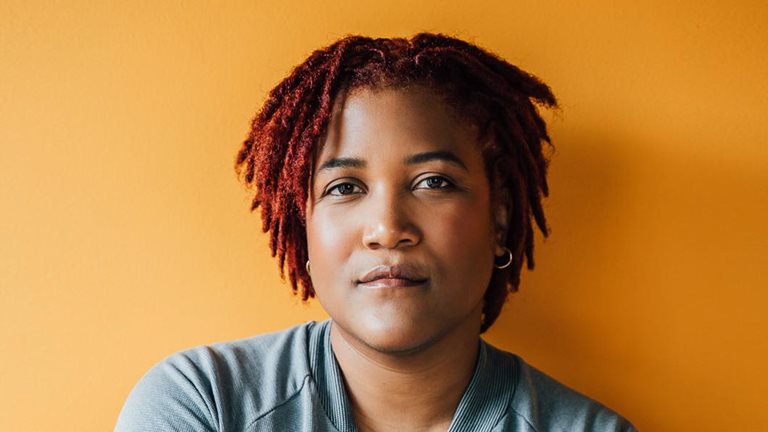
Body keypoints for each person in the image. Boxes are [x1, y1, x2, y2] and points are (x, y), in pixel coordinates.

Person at [115, 33, 636, 431]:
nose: (387, 229)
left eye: (433, 182)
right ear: (304, 228)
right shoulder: (203, 403)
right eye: (344, 187)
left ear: (499, 221)